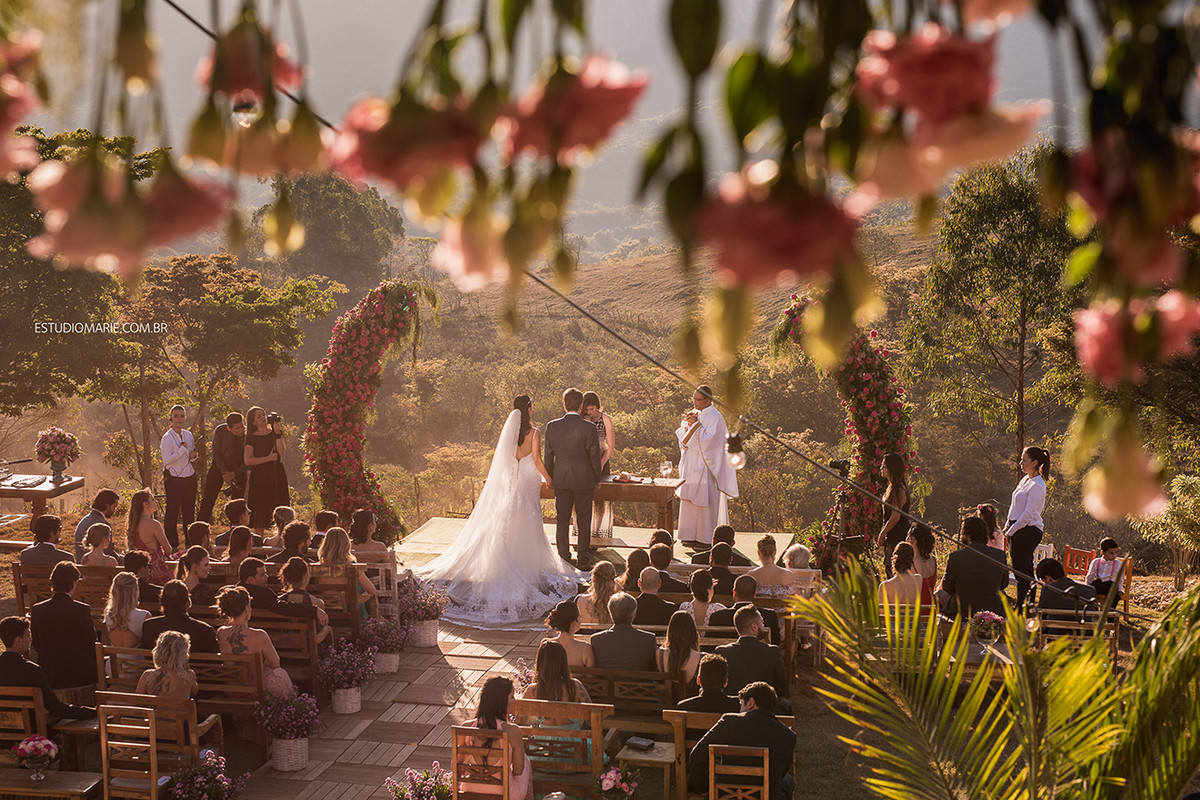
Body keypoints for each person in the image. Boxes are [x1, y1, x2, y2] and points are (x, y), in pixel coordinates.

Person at [416, 396, 583, 626]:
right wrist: (550, 479)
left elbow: (503, 461)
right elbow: (535, 459)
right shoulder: (534, 433)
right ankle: (527, 564)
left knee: (511, 515)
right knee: (530, 517)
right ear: (530, 410)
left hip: (513, 479)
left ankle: (511, 556)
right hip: (528, 478)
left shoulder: (510, 433)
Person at [687, 682, 796, 800]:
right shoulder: (788, 736)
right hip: (767, 795)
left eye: (741, 705)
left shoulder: (730, 722)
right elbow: (781, 772)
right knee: (787, 781)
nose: (740, 710)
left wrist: (703, 787)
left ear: (750, 703)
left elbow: (697, 754)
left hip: (726, 795)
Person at [544, 388, 603, 567]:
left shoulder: (552, 426)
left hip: (561, 479)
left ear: (564, 405)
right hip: (584, 480)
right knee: (584, 519)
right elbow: (594, 456)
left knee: (562, 519)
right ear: (581, 406)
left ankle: (563, 557)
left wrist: (551, 478)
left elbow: (548, 456)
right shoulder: (589, 427)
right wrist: (597, 478)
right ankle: (583, 559)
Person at [676, 386, 739, 547]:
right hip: (691, 464)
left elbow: (708, 443)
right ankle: (688, 535)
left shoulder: (716, 418)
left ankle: (705, 538)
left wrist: (695, 425)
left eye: (698, 399)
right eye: (693, 399)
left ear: (708, 400)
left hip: (706, 466)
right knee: (689, 499)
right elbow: (684, 439)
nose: (695, 402)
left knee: (705, 501)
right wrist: (689, 425)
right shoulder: (693, 414)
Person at [0, 616, 95, 720]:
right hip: (32, 731)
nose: (31, 639)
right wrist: (91, 712)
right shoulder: (32, 671)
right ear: (18, 641)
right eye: (28, 636)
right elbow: (55, 708)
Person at [29, 561, 98, 696]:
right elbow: (91, 643)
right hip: (79, 672)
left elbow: (37, 644)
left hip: (50, 673)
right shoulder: (81, 610)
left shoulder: (37, 609)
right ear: (73, 583)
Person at [459, 677, 534, 800]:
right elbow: (518, 771)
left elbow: (457, 767)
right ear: (501, 702)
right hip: (504, 792)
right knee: (525, 760)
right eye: (512, 697)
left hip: (470, 788)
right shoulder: (512, 731)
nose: (515, 701)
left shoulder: (466, 728)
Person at [215, 585, 294, 695]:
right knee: (280, 673)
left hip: (232, 689)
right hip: (255, 690)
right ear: (247, 609)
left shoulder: (221, 632)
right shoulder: (260, 635)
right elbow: (275, 663)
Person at [1002, 445, 1049, 608]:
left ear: (1035, 462)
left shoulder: (1037, 485)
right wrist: (1007, 525)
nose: (1021, 463)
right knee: (1024, 569)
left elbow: (1028, 514)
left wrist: (1011, 531)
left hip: (1028, 530)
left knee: (1021, 571)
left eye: (1025, 460)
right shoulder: (1026, 480)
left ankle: (1023, 605)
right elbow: (1014, 506)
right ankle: (1027, 604)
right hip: (1017, 526)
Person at [714, 607, 789, 702]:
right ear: (754, 626)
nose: (763, 626)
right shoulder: (773, 652)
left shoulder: (722, 652)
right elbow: (781, 688)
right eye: (761, 622)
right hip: (763, 706)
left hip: (732, 706)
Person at [942, 517, 1009, 618]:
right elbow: (1004, 584)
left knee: (938, 595)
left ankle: (942, 630)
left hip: (963, 610)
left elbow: (947, 587)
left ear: (967, 536)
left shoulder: (956, 556)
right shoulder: (1000, 555)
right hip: (993, 608)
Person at [237, 557, 328, 627]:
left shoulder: (233, 593)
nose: (267, 576)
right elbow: (285, 608)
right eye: (262, 575)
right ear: (250, 580)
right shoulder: (264, 595)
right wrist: (314, 610)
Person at [521, 640, 592, 728]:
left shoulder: (533, 690)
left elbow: (519, 721)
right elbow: (591, 719)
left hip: (542, 741)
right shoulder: (575, 686)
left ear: (540, 662)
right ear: (563, 662)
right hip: (573, 740)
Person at [243, 407, 289, 538]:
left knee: (280, 504)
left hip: (276, 473)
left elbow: (281, 451)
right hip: (259, 476)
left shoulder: (274, 433)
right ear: (253, 422)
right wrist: (267, 458)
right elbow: (247, 460)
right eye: (258, 416)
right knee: (260, 508)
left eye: (263, 414)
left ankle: (281, 539)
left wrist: (277, 432)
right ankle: (259, 540)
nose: (263, 417)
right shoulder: (251, 438)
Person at [140, 580, 220, 654]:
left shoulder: (149, 627)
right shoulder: (204, 630)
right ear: (188, 602)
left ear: (162, 602)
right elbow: (215, 663)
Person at [318, 527, 378, 618]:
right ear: (346, 544)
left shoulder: (317, 567)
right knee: (359, 592)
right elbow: (373, 591)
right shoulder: (352, 566)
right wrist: (360, 597)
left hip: (327, 612)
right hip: (350, 613)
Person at [198, 411, 247, 524]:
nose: (241, 430)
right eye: (237, 429)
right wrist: (226, 473)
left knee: (238, 502)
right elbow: (216, 453)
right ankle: (199, 527)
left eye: (241, 427)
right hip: (219, 466)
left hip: (239, 469)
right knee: (208, 497)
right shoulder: (220, 430)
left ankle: (237, 528)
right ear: (229, 428)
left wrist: (234, 474)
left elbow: (248, 461)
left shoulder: (247, 435)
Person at [161, 404, 198, 550]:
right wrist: (182, 450)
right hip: (174, 478)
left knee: (189, 511)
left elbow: (192, 456)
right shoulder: (167, 438)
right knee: (172, 511)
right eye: (176, 416)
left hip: (189, 476)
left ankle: (191, 542)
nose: (179, 419)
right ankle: (172, 544)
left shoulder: (188, 435)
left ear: (185, 418)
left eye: (182, 416)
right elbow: (167, 460)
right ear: (170, 418)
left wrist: (194, 456)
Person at [590, 593, 657, 670]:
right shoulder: (649, 639)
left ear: (610, 614)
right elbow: (653, 667)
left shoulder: (596, 640)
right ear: (634, 615)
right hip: (638, 681)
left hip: (609, 681)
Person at [709, 576, 782, 645]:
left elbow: (709, 644)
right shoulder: (769, 616)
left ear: (734, 593)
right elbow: (775, 642)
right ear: (754, 594)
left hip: (726, 656)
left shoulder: (717, 617)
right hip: (760, 657)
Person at [582, 390, 615, 539]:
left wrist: (602, 463)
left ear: (597, 407)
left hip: (602, 458)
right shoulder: (582, 419)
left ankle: (598, 534)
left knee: (600, 498)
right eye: (587, 409)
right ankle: (583, 532)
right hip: (584, 461)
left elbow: (611, 445)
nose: (590, 412)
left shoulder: (605, 419)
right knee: (584, 498)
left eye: (592, 409)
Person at [135, 630, 198, 701]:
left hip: (155, 712)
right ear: (183, 655)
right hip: (180, 712)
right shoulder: (189, 675)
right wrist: (186, 668)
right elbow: (194, 692)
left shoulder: (147, 675)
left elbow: (137, 700)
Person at [128, 488, 173, 585]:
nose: (156, 501)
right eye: (153, 499)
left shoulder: (133, 524)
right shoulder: (153, 524)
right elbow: (168, 550)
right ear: (145, 504)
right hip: (156, 569)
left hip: (141, 568)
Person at [876, 453, 911, 579]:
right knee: (889, 569)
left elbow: (895, 517)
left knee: (894, 572)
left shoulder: (898, 490)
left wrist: (882, 534)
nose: (881, 469)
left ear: (892, 469)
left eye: (884, 467)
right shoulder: (891, 488)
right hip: (892, 537)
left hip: (898, 536)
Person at [657, 610, 701, 695]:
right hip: (689, 705)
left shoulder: (659, 654)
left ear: (670, 630)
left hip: (665, 703)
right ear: (692, 631)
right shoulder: (700, 658)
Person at [74, 488, 121, 563]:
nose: (114, 511)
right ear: (107, 506)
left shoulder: (84, 520)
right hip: (97, 567)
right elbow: (108, 551)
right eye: (114, 507)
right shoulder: (103, 524)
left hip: (82, 566)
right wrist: (121, 558)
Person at [104, 572, 150, 649]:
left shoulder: (109, 615)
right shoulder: (144, 616)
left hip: (113, 661)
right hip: (137, 660)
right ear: (135, 591)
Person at [543, 600, 594, 668]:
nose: (581, 620)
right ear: (573, 623)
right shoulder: (585, 649)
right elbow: (590, 677)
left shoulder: (546, 644)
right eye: (579, 617)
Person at [878, 542, 923, 606]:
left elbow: (881, 613)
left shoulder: (885, 586)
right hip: (913, 616)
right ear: (912, 560)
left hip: (894, 616)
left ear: (894, 559)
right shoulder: (919, 579)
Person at [575, 561, 616, 627]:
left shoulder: (580, 600)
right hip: (610, 637)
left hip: (584, 637)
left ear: (594, 578)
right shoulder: (619, 602)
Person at [908, 523, 938, 606]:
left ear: (912, 539)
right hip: (931, 607)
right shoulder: (933, 560)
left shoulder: (910, 562)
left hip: (916, 609)